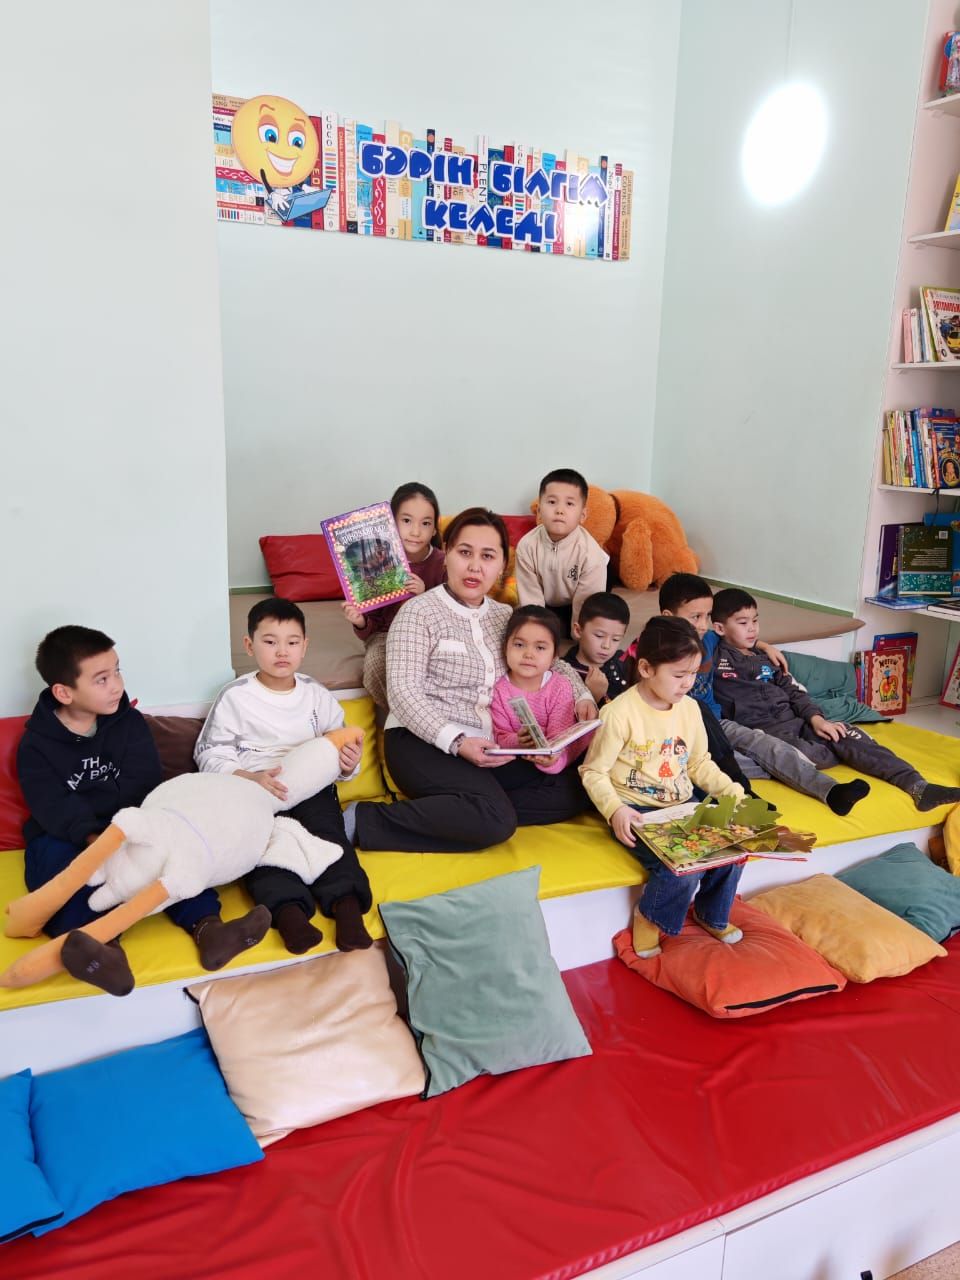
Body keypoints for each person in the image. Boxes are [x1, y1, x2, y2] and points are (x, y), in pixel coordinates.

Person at [17, 626, 269, 996]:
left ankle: (208, 928)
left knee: (176, 852)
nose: (116, 685)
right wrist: (96, 840)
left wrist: (132, 832)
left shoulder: (129, 723)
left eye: (117, 671)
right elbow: (52, 805)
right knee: (61, 871)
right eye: (101, 679)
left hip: (133, 822)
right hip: (67, 834)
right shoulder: (35, 746)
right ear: (64, 692)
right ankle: (102, 950)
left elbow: (145, 781)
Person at [346, 508, 597, 854]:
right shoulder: (418, 612)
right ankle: (363, 820)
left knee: (575, 787)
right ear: (446, 553)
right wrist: (458, 741)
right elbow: (403, 693)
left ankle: (465, 808)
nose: (475, 566)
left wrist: (583, 695)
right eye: (465, 552)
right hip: (420, 742)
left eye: (488, 556)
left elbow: (553, 664)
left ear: (502, 565)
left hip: (491, 747)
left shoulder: (506, 617)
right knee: (496, 820)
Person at [194, 598, 373, 955]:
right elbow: (210, 754)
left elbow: (338, 751)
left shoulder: (316, 695)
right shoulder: (235, 697)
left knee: (328, 839)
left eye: (292, 642)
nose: (282, 651)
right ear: (250, 645)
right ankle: (290, 916)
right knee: (264, 851)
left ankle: (348, 910)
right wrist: (249, 777)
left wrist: (349, 764)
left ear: (304, 647)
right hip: (257, 790)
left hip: (311, 788)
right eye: (270, 641)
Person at [580, 616, 746, 959]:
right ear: (645, 668)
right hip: (637, 811)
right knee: (681, 868)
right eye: (679, 674)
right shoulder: (619, 713)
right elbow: (593, 771)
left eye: (693, 674)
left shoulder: (691, 708)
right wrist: (615, 810)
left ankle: (711, 914)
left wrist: (731, 791)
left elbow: (698, 764)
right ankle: (650, 916)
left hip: (684, 803)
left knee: (733, 853)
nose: (688, 683)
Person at [711, 587, 960, 813]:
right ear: (720, 628)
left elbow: (795, 692)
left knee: (848, 733)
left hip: (797, 722)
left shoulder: (768, 658)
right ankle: (835, 760)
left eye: (755, 621)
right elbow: (693, 637)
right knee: (799, 754)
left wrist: (817, 719)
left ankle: (918, 786)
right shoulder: (713, 656)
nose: (752, 628)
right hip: (766, 733)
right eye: (743, 623)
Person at [647, 574, 870, 815]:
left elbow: (739, 639)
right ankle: (743, 791)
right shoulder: (652, 649)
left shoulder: (707, 638)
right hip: (678, 729)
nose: (703, 625)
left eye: (707, 616)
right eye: (695, 617)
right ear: (668, 616)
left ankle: (831, 791)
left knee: (767, 746)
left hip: (718, 723)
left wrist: (764, 646)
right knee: (709, 762)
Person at [341, 482, 447, 708]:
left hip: (428, 637)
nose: (416, 532)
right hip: (384, 636)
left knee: (439, 667)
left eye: (425, 523)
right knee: (375, 665)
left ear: (434, 529)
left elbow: (450, 614)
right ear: (389, 522)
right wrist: (360, 621)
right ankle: (405, 715)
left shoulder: (442, 563)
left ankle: (430, 712)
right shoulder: (375, 559)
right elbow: (371, 630)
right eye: (406, 521)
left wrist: (424, 596)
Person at [490, 606, 593, 775]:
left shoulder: (559, 686)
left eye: (540, 648)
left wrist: (552, 760)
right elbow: (500, 737)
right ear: (505, 648)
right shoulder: (498, 689)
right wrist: (518, 740)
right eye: (519, 645)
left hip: (558, 763)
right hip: (512, 764)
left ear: (554, 656)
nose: (528, 654)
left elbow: (560, 739)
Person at [515, 468, 609, 635]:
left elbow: (585, 602)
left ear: (583, 515)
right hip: (546, 600)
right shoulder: (527, 546)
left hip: (577, 598)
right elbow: (530, 596)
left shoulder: (591, 553)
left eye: (569, 504)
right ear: (539, 511)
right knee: (522, 621)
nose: (559, 510)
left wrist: (579, 636)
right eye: (552, 502)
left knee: (599, 617)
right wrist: (536, 630)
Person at [562, 592, 630, 707]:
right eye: (599, 636)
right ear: (578, 630)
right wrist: (593, 697)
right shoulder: (563, 672)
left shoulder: (624, 661)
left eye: (616, 639)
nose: (606, 645)